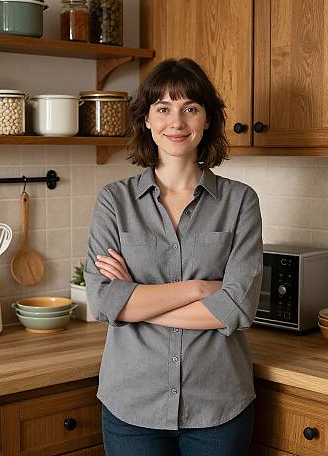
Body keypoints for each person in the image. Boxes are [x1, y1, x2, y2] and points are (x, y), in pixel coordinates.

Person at [85, 57, 263, 456]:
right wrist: (200, 288)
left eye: (190, 108)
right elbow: (102, 301)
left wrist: (133, 301)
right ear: (146, 120)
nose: (176, 122)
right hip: (132, 405)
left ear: (207, 120)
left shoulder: (240, 202)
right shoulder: (115, 201)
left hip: (218, 405)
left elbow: (235, 308)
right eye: (163, 109)